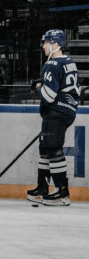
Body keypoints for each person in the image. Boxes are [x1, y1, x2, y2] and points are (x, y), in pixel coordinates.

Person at [27, 29, 80, 206]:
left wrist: (38, 87)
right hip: (67, 110)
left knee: (53, 149)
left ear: (56, 44)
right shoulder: (69, 62)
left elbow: (49, 96)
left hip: (55, 112)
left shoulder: (51, 64)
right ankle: (42, 187)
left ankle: (61, 193)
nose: (43, 46)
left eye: (46, 42)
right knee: (45, 148)